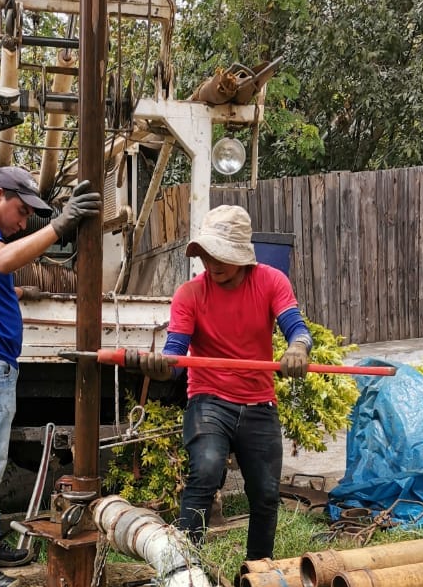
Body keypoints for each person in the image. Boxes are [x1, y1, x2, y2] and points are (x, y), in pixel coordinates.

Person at [126, 204, 312, 561]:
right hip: (209, 400)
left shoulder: (272, 281)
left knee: (266, 495)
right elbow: (175, 360)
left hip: (259, 401)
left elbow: (297, 329)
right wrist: (157, 367)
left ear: (242, 254)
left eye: (220, 254)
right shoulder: (190, 294)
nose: (211, 262)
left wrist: (298, 349)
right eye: (206, 253)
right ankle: (182, 571)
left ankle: (257, 577)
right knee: (206, 472)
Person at [0, 166, 101, 587]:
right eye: (21, 211)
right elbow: (1, 260)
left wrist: (14, 294)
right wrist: (59, 226)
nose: (24, 221)